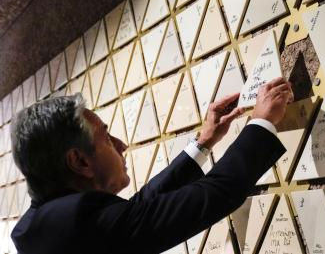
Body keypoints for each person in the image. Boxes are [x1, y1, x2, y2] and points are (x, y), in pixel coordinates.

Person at [10, 77, 293, 254]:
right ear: (80, 161)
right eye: (106, 138)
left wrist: (203, 142)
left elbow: (137, 210)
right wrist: (261, 122)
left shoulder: (36, 227)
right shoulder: (81, 223)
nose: (121, 145)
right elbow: (216, 194)